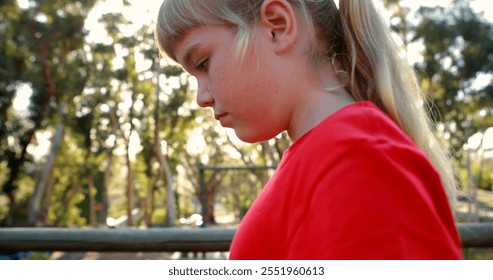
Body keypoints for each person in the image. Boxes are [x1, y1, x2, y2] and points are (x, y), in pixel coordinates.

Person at [154, 0, 463, 259]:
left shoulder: (357, 158)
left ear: (277, 27)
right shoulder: (333, 154)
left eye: (204, 64)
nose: (201, 98)